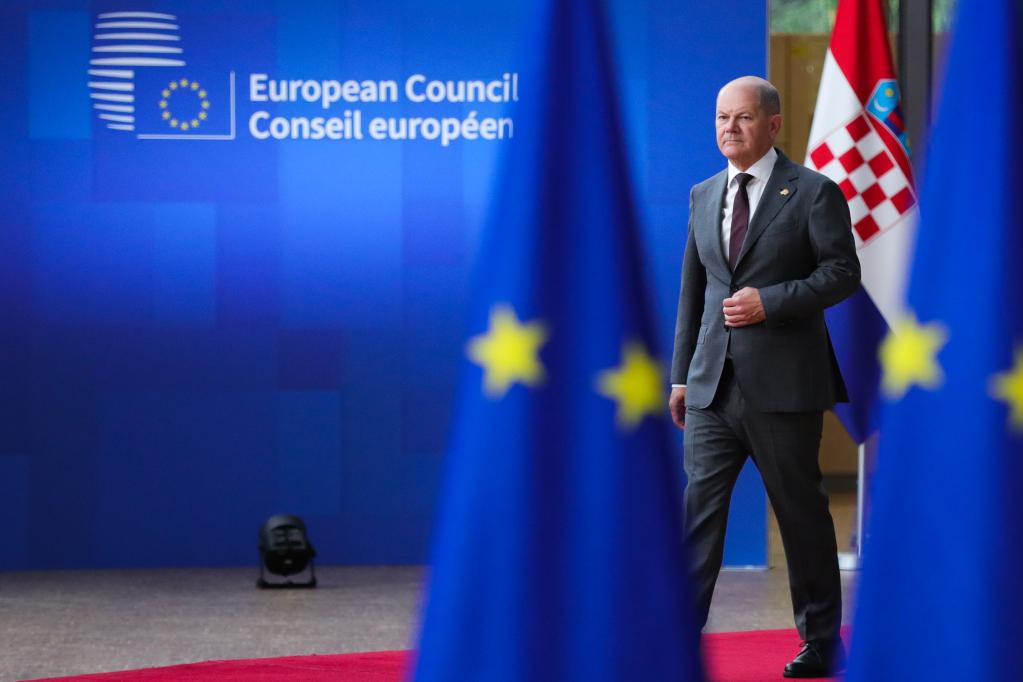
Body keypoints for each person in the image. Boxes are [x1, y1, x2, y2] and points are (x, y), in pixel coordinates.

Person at [668, 76, 860, 679]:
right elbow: (694, 293)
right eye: (721, 117)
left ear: (773, 124)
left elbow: (842, 273)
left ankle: (821, 643)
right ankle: (674, 642)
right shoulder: (703, 194)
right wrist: (681, 377)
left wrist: (769, 302)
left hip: (783, 391)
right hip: (710, 388)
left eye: (743, 117)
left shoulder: (813, 192)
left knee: (800, 518)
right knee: (697, 518)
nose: (729, 128)